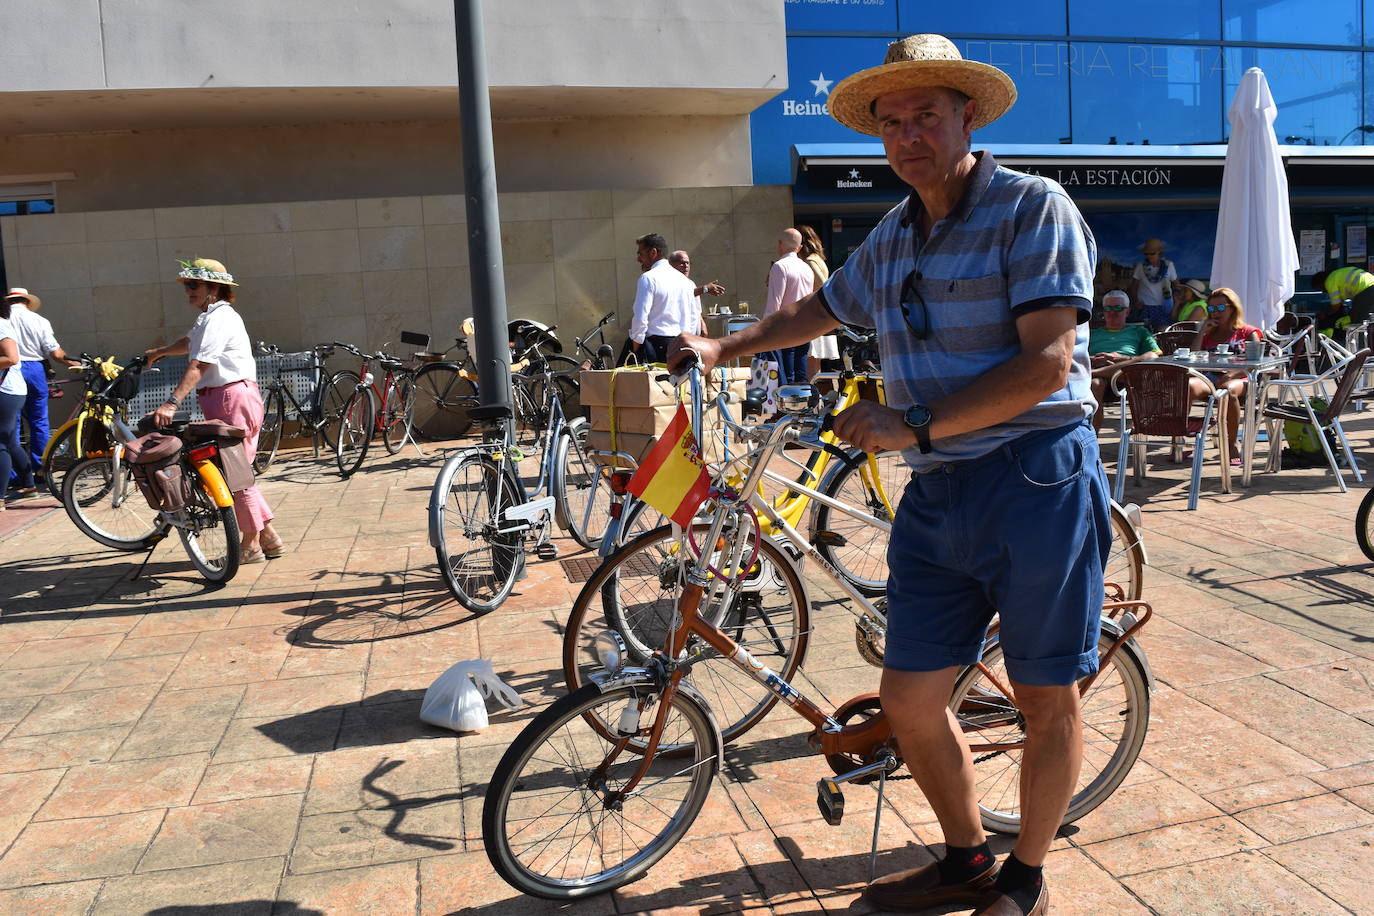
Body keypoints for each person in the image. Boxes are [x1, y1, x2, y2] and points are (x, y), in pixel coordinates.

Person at [669, 33, 1102, 916]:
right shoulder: (895, 235)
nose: (909, 136)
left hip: (1035, 481)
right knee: (909, 698)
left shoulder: (1032, 207)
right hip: (939, 492)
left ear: (966, 117)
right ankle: (966, 859)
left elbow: (1049, 363)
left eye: (927, 116)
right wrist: (722, 344)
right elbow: (815, 312)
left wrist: (910, 422)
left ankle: (1026, 880)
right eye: (892, 122)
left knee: (1044, 699)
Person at [144, 258, 283, 562]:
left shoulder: (220, 318)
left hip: (231, 398)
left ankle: (249, 545)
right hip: (226, 398)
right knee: (236, 470)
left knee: (235, 475)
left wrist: (172, 402)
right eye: (187, 285)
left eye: (193, 285)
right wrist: (162, 351)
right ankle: (268, 536)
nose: (188, 291)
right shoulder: (209, 317)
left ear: (213, 288)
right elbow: (190, 343)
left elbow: (199, 363)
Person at [4, 288, 78, 477]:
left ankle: (14, 472)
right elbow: (55, 353)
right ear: (27, 302)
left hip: (10, 370)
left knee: (11, 423)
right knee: (39, 420)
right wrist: (75, 363)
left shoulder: (3, 319)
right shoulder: (39, 321)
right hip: (35, 370)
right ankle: (41, 468)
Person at [1191, 286, 1261, 466]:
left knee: (1226, 391)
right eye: (1212, 308)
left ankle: (1232, 443)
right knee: (1188, 385)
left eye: (1221, 307)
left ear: (1233, 308)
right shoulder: (1209, 333)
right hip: (1211, 378)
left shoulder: (1248, 332)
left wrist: (1230, 375)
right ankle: (1180, 438)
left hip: (1242, 379)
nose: (1216, 312)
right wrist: (1201, 332)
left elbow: (1254, 364)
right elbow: (1193, 358)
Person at [1089, 290, 1161, 429]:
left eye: (1118, 308)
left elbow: (1155, 355)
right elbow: (1075, 355)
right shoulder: (1092, 333)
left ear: (1127, 312)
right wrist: (1092, 359)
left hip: (1127, 375)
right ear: (1103, 311)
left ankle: (1095, 372)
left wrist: (1120, 359)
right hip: (1097, 373)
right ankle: (1093, 439)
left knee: (1150, 357)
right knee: (1095, 384)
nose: (1112, 312)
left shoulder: (1139, 332)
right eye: (1108, 308)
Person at [626, 233, 700, 364]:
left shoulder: (648, 278)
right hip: (682, 347)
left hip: (654, 347)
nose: (638, 259)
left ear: (653, 252)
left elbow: (640, 318)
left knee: (623, 382)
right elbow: (693, 319)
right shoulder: (686, 282)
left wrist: (636, 348)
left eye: (640, 254)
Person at [764, 228, 815, 384]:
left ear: (779, 244)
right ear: (799, 248)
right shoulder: (807, 268)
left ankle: (788, 407)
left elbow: (775, 302)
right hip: (805, 324)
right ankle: (804, 405)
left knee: (786, 374)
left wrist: (766, 329)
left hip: (786, 326)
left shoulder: (780, 266)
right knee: (801, 373)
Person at [0, 295, 37, 507]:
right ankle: (29, 485)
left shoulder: (0, 325)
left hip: (6, 391)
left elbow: (11, 358)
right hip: (12, 390)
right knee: (10, 441)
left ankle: (0, 498)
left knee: (1, 444)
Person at [799, 226, 840, 380]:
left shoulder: (810, 261)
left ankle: (813, 397)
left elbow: (823, 284)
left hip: (815, 313)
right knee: (815, 363)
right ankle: (817, 398)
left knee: (811, 361)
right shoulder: (818, 258)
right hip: (822, 313)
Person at [1127, 238, 1177, 330]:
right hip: (1145, 307)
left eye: (1152, 253)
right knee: (1146, 334)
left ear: (1159, 253)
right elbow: (1133, 287)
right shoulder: (1140, 267)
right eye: (1146, 253)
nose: (1149, 256)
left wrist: (1176, 302)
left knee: (1163, 334)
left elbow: (1175, 284)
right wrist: (1136, 301)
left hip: (1164, 307)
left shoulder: (1168, 265)